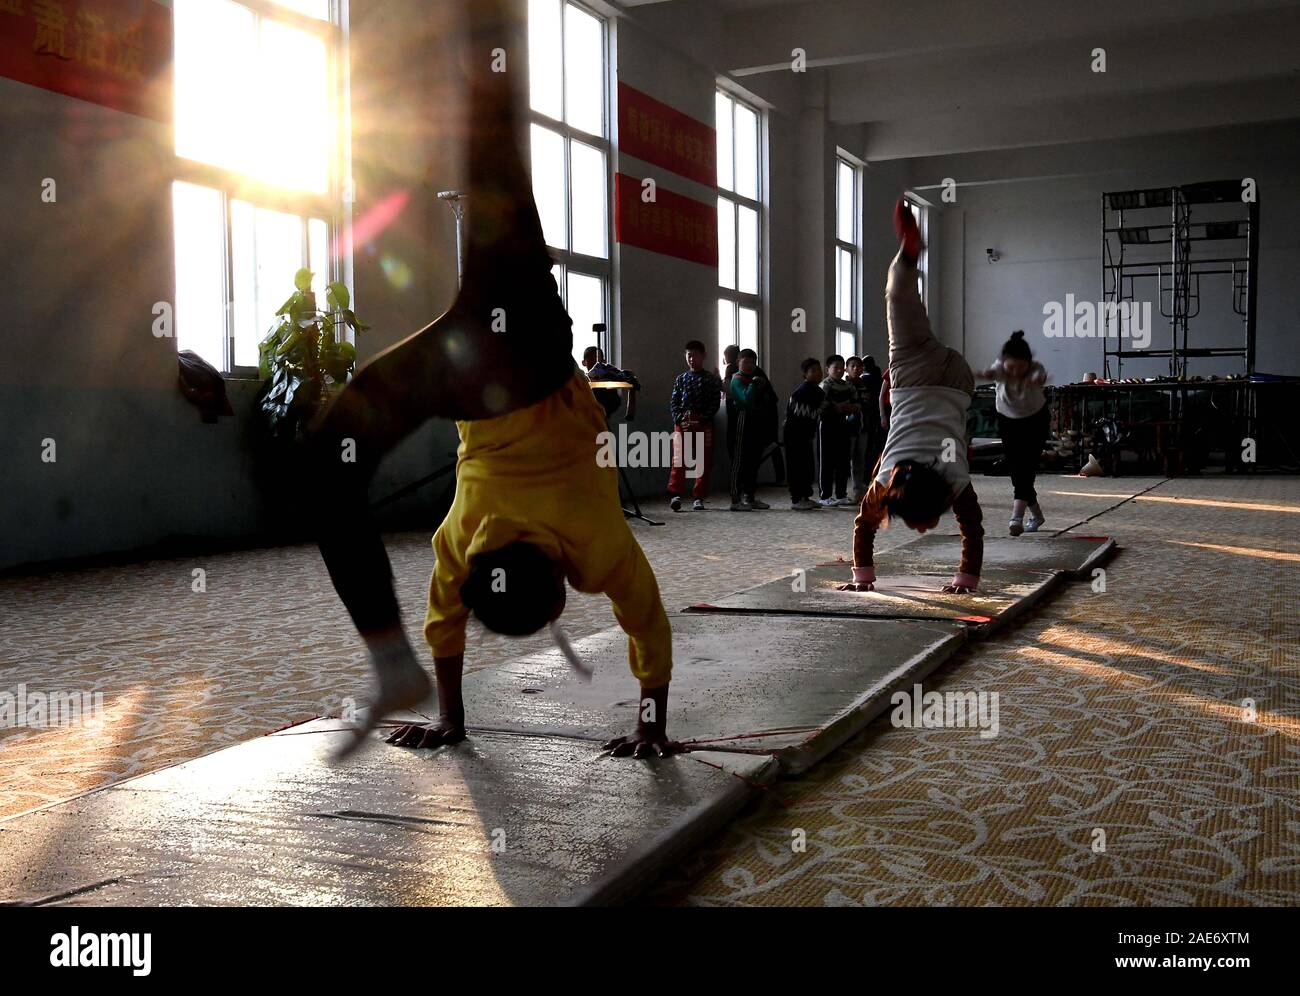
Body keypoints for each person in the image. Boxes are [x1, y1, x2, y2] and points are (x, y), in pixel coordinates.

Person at [307, 0, 675, 759]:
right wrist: (450, 716)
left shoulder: (595, 551)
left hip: (516, 352)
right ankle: (386, 660)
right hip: (479, 368)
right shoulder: (465, 544)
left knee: (492, 137)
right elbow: (447, 622)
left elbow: (648, 625)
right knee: (326, 465)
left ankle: (486, 26)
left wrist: (651, 726)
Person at [841, 198, 984, 595]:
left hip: (957, 381)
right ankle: (905, 258)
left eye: (917, 525)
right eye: (923, 525)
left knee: (899, 304)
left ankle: (908, 255)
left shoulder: (951, 476)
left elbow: (973, 528)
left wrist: (864, 581)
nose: (921, 529)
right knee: (897, 301)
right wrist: (862, 576)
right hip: (917, 372)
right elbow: (863, 525)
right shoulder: (888, 479)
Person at [977, 331, 1049, 535]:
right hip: (1009, 421)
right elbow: (990, 372)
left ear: (1028, 362)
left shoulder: (1036, 368)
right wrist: (985, 374)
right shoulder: (998, 367)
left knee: (1026, 467)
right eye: (1011, 367)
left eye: (1021, 367)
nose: (1016, 372)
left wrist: (1037, 380)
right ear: (1003, 362)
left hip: (1036, 420)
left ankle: (1016, 516)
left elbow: (1039, 376)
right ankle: (1036, 515)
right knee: (1017, 468)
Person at [667, 340, 723, 512]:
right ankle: (675, 494)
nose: (691, 359)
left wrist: (701, 418)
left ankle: (699, 497)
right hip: (682, 424)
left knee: (703, 461)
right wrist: (679, 418)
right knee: (678, 460)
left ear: (703, 356)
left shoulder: (711, 380)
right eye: (688, 356)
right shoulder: (681, 379)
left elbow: (714, 403)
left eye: (695, 355)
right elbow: (674, 402)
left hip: (703, 424)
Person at [726, 349, 772, 511]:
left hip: (756, 424)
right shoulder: (737, 379)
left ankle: (749, 497)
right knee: (739, 462)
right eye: (745, 362)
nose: (749, 366)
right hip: (742, 422)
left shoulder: (756, 379)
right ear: (738, 362)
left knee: (753, 462)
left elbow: (766, 400)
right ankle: (735, 499)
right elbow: (746, 399)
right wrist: (754, 384)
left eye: (753, 363)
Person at [784, 358, 824, 510]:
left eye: (818, 370)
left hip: (806, 435)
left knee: (807, 465)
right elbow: (800, 416)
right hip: (794, 434)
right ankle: (797, 499)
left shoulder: (818, 392)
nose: (817, 373)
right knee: (796, 466)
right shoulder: (802, 392)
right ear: (804, 375)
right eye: (813, 371)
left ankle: (805, 496)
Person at [819, 354, 858, 506]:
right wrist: (838, 408)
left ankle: (841, 494)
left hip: (843, 424)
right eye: (836, 368)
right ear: (827, 369)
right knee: (827, 460)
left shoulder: (848, 385)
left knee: (843, 459)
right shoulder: (824, 385)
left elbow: (857, 401)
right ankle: (825, 495)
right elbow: (822, 406)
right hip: (828, 424)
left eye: (842, 368)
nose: (840, 371)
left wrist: (853, 407)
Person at [845, 355, 881, 501]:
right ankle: (838, 493)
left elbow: (870, 405)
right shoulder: (843, 385)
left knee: (860, 460)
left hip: (864, 427)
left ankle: (858, 489)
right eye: (852, 366)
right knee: (844, 460)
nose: (856, 369)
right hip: (847, 428)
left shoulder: (866, 384)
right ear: (847, 369)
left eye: (859, 366)